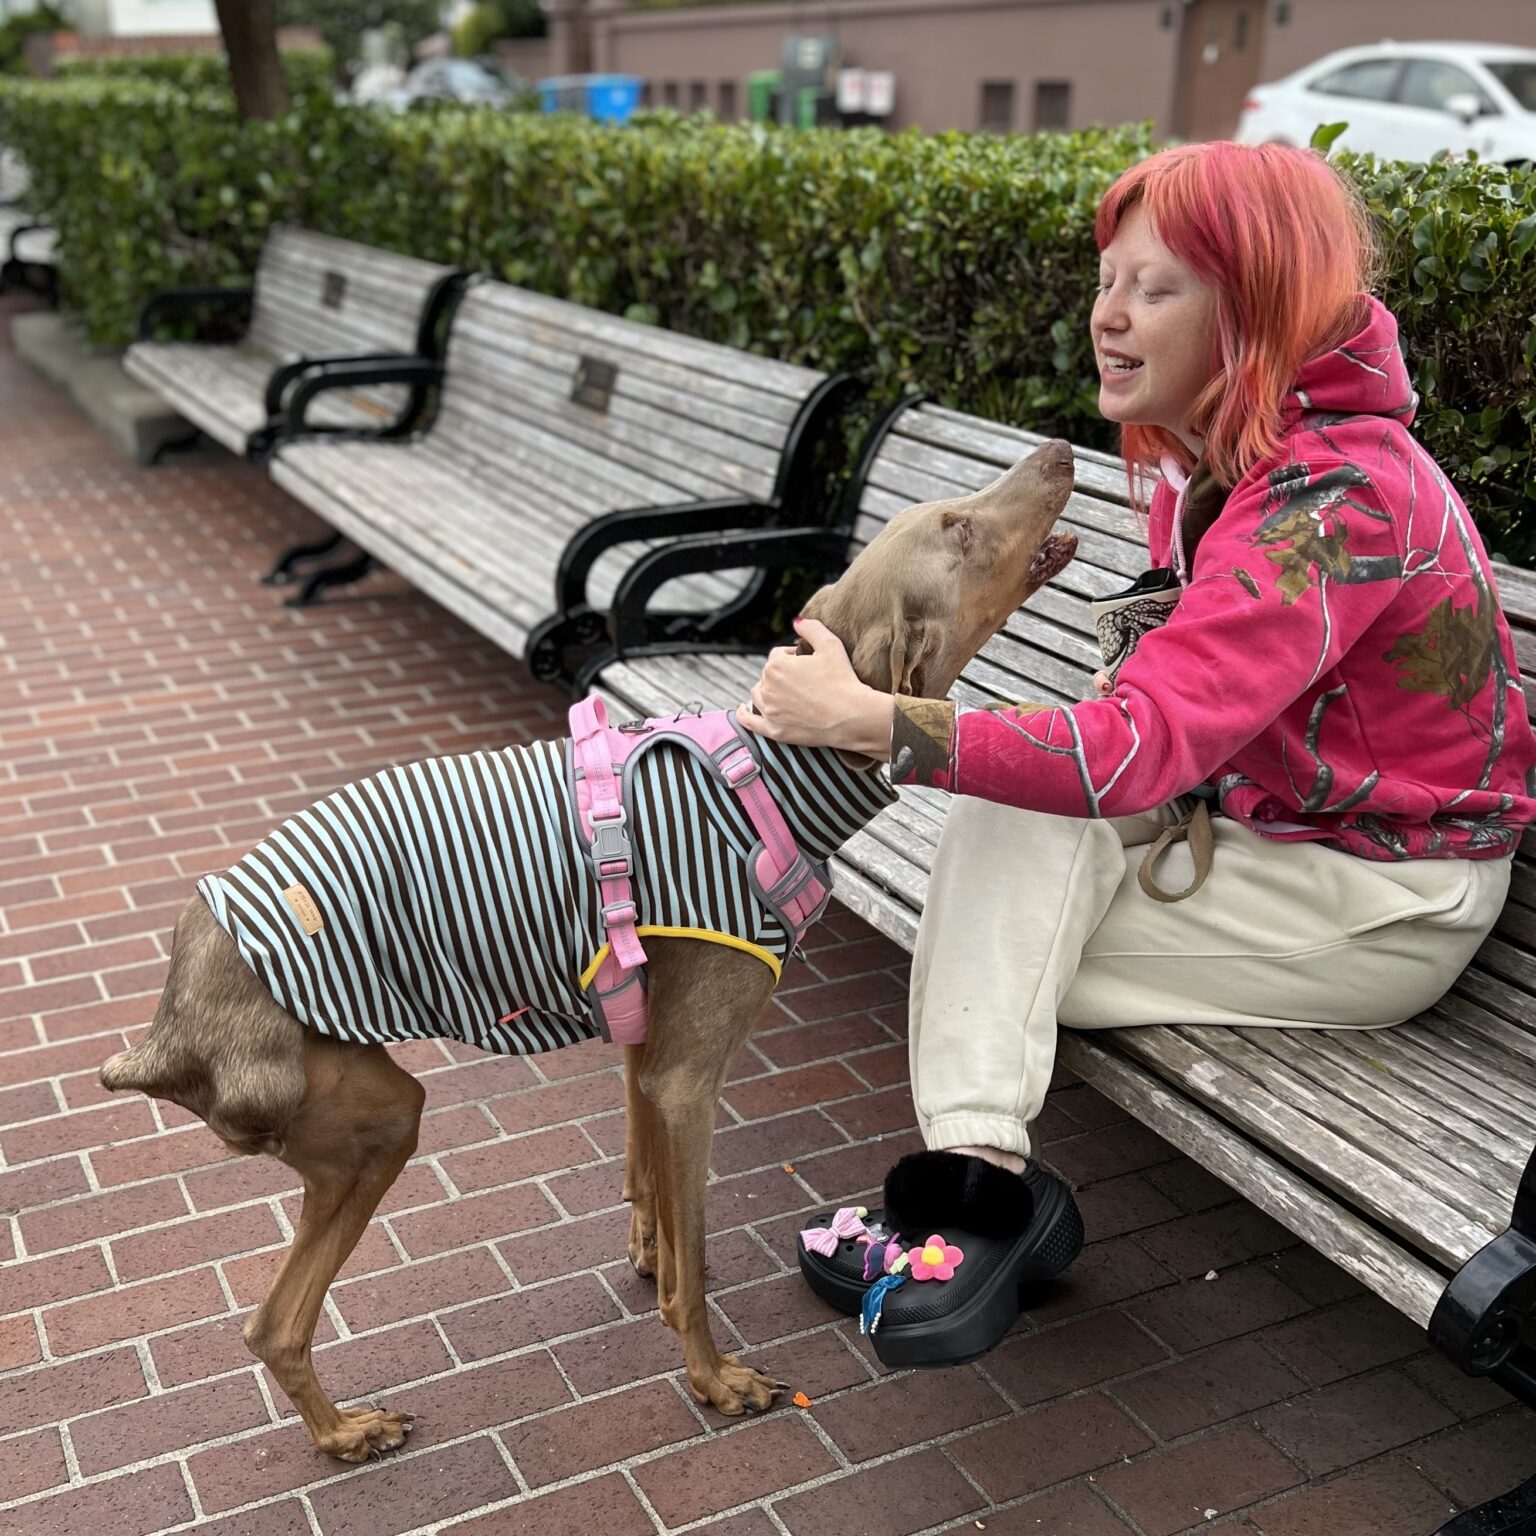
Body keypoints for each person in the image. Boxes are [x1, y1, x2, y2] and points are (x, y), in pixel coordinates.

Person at [737, 141, 1536, 1367]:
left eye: (1155, 288)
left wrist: (870, 719)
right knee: (1004, 852)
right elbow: (1157, 715)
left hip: (1380, 902)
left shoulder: (1336, 503)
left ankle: (972, 1208)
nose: (1108, 316)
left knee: (994, 915)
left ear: (1255, 306)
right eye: (1107, 279)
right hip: (1254, 841)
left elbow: (1142, 744)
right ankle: (984, 1187)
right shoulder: (1219, 458)